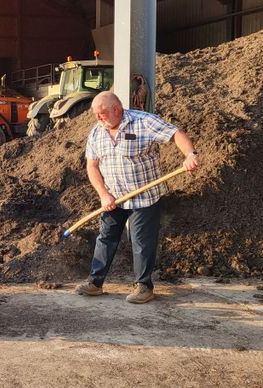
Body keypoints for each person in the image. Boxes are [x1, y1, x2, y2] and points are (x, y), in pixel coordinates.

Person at [75, 91, 200, 304]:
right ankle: (95, 283)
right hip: (113, 198)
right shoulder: (97, 132)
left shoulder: (143, 122)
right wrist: (104, 194)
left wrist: (190, 154)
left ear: (116, 109)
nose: (98, 118)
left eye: (102, 113)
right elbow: (92, 166)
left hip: (144, 197)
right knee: (106, 238)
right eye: (95, 115)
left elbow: (175, 134)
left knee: (141, 241)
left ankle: (144, 286)